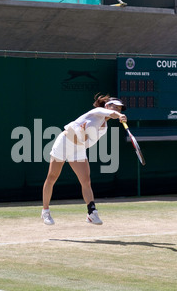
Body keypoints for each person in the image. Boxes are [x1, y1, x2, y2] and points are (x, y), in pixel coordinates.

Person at [41, 94, 127, 225]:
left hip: (78, 149)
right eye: (114, 107)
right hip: (64, 142)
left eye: (120, 109)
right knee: (52, 177)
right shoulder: (96, 112)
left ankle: (91, 213)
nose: (117, 110)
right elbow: (106, 112)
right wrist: (118, 115)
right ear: (107, 106)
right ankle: (45, 211)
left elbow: (88, 143)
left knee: (86, 180)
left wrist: (82, 137)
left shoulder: (104, 128)